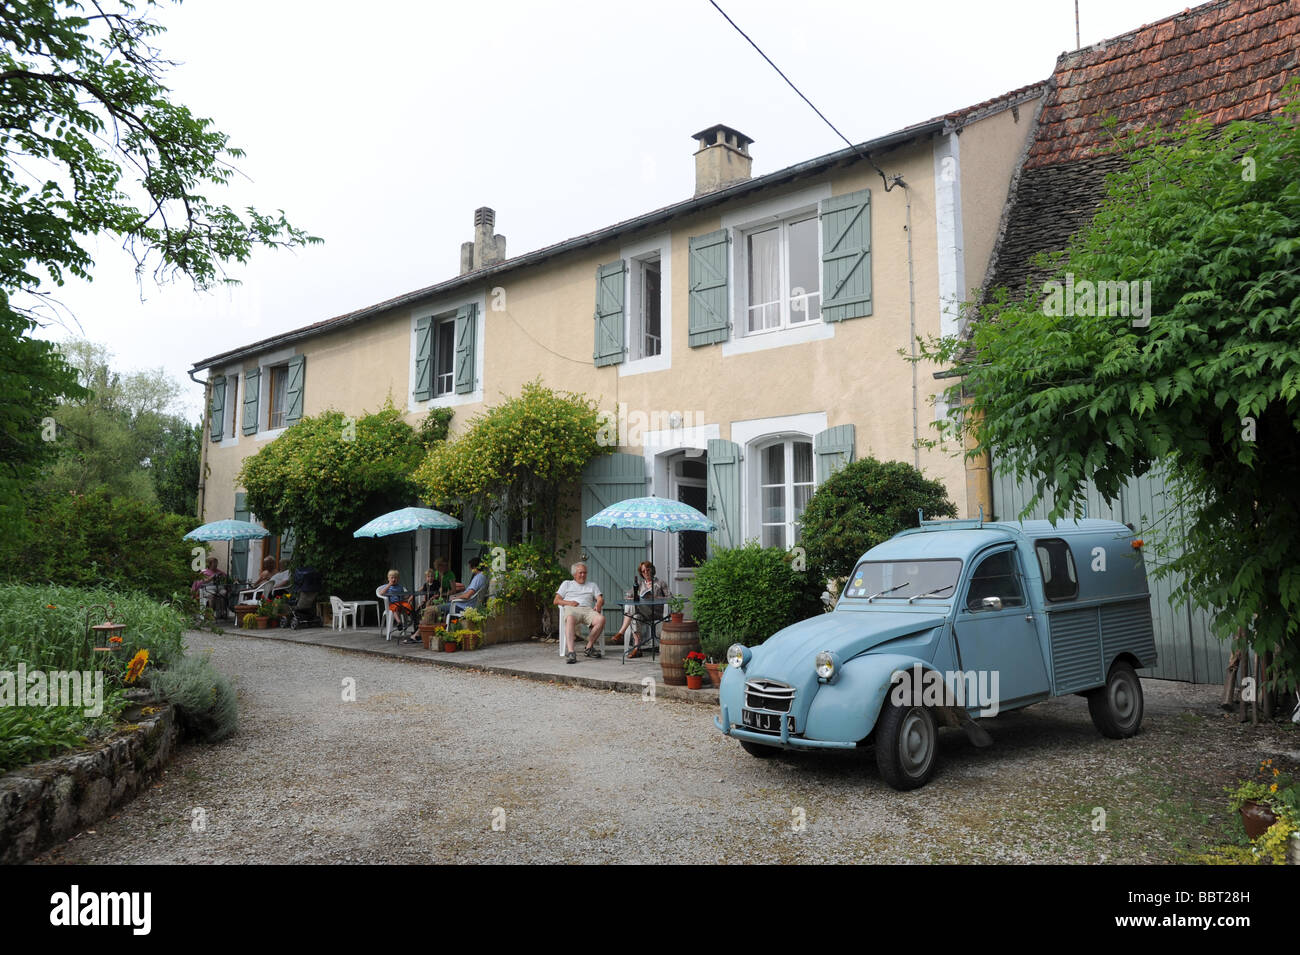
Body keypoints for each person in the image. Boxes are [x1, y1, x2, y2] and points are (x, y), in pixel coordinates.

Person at [611, 560, 669, 658]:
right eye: (643, 571)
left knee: (631, 608)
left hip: (657, 612)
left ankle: (621, 632)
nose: (646, 572)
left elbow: (670, 597)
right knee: (634, 617)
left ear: (652, 570)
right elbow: (628, 595)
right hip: (643, 613)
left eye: (647, 570)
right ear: (641, 573)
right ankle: (637, 648)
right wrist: (630, 596)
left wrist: (655, 598)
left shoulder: (660, 583)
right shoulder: (640, 584)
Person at [553, 562, 604, 664]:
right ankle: (571, 652)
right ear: (574, 574)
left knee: (601, 619)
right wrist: (569, 603)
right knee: (570, 618)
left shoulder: (592, 585)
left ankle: (589, 648)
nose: (583, 575)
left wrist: (598, 604)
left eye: (585, 573)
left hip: (588, 610)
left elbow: (600, 598)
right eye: (580, 573)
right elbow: (556, 600)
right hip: (572, 609)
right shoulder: (566, 584)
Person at [380, 569, 413, 636]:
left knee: (408, 605)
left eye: (395, 578)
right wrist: (389, 585)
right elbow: (381, 593)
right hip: (392, 604)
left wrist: (407, 596)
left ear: (398, 579)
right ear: (388, 578)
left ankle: (409, 618)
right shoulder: (387, 586)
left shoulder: (400, 587)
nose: (394, 579)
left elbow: (403, 596)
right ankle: (399, 622)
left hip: (401, 602)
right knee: (395, 608)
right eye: (392, 578)